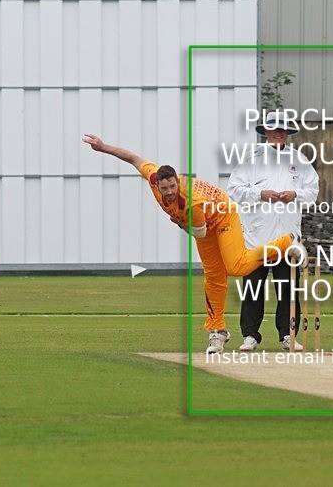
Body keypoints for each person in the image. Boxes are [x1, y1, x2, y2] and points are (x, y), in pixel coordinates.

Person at [82, 133, 302, 354]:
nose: (168, 192)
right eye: (164, 188)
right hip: (204, 225)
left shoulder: (192, 202)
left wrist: (179, 223)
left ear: (178, 182)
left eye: (172, 187)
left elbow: (198, 231)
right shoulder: (154, 177)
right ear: (156, 183)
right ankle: (217, 332)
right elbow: (133, 158)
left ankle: (286, 242)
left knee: (237, 267)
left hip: (222, 217)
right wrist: (103, 147)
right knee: (214, 279)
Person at [228, 111, 319, 353]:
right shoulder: (252, 158)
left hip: (287, 237)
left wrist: (295, 195)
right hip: (257, 237)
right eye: (274, 129)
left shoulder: (299, 160)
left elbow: (312, 193)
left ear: (288, 133)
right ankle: (250, 336)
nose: (278, 133)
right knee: (253, 288)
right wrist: (260, 195)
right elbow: (234, 189)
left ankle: (288, 335)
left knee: (288, 289)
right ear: (266, 132)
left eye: (283, 129)